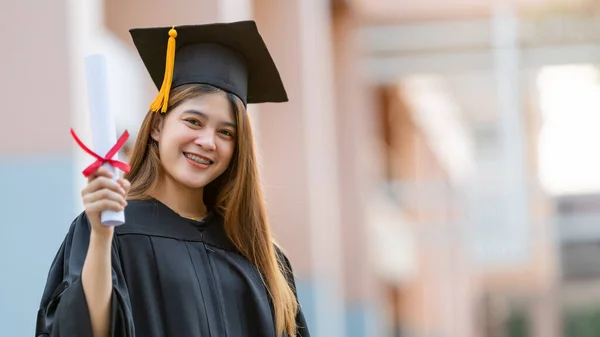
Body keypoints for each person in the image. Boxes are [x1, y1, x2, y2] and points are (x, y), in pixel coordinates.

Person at [35, 20, 310, 337]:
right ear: (156, 127)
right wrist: (100, 238)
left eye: (226, 132)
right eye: (194, 121)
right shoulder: (113, 229)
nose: (208, 141)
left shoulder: (262, 255)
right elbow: (83, 331)